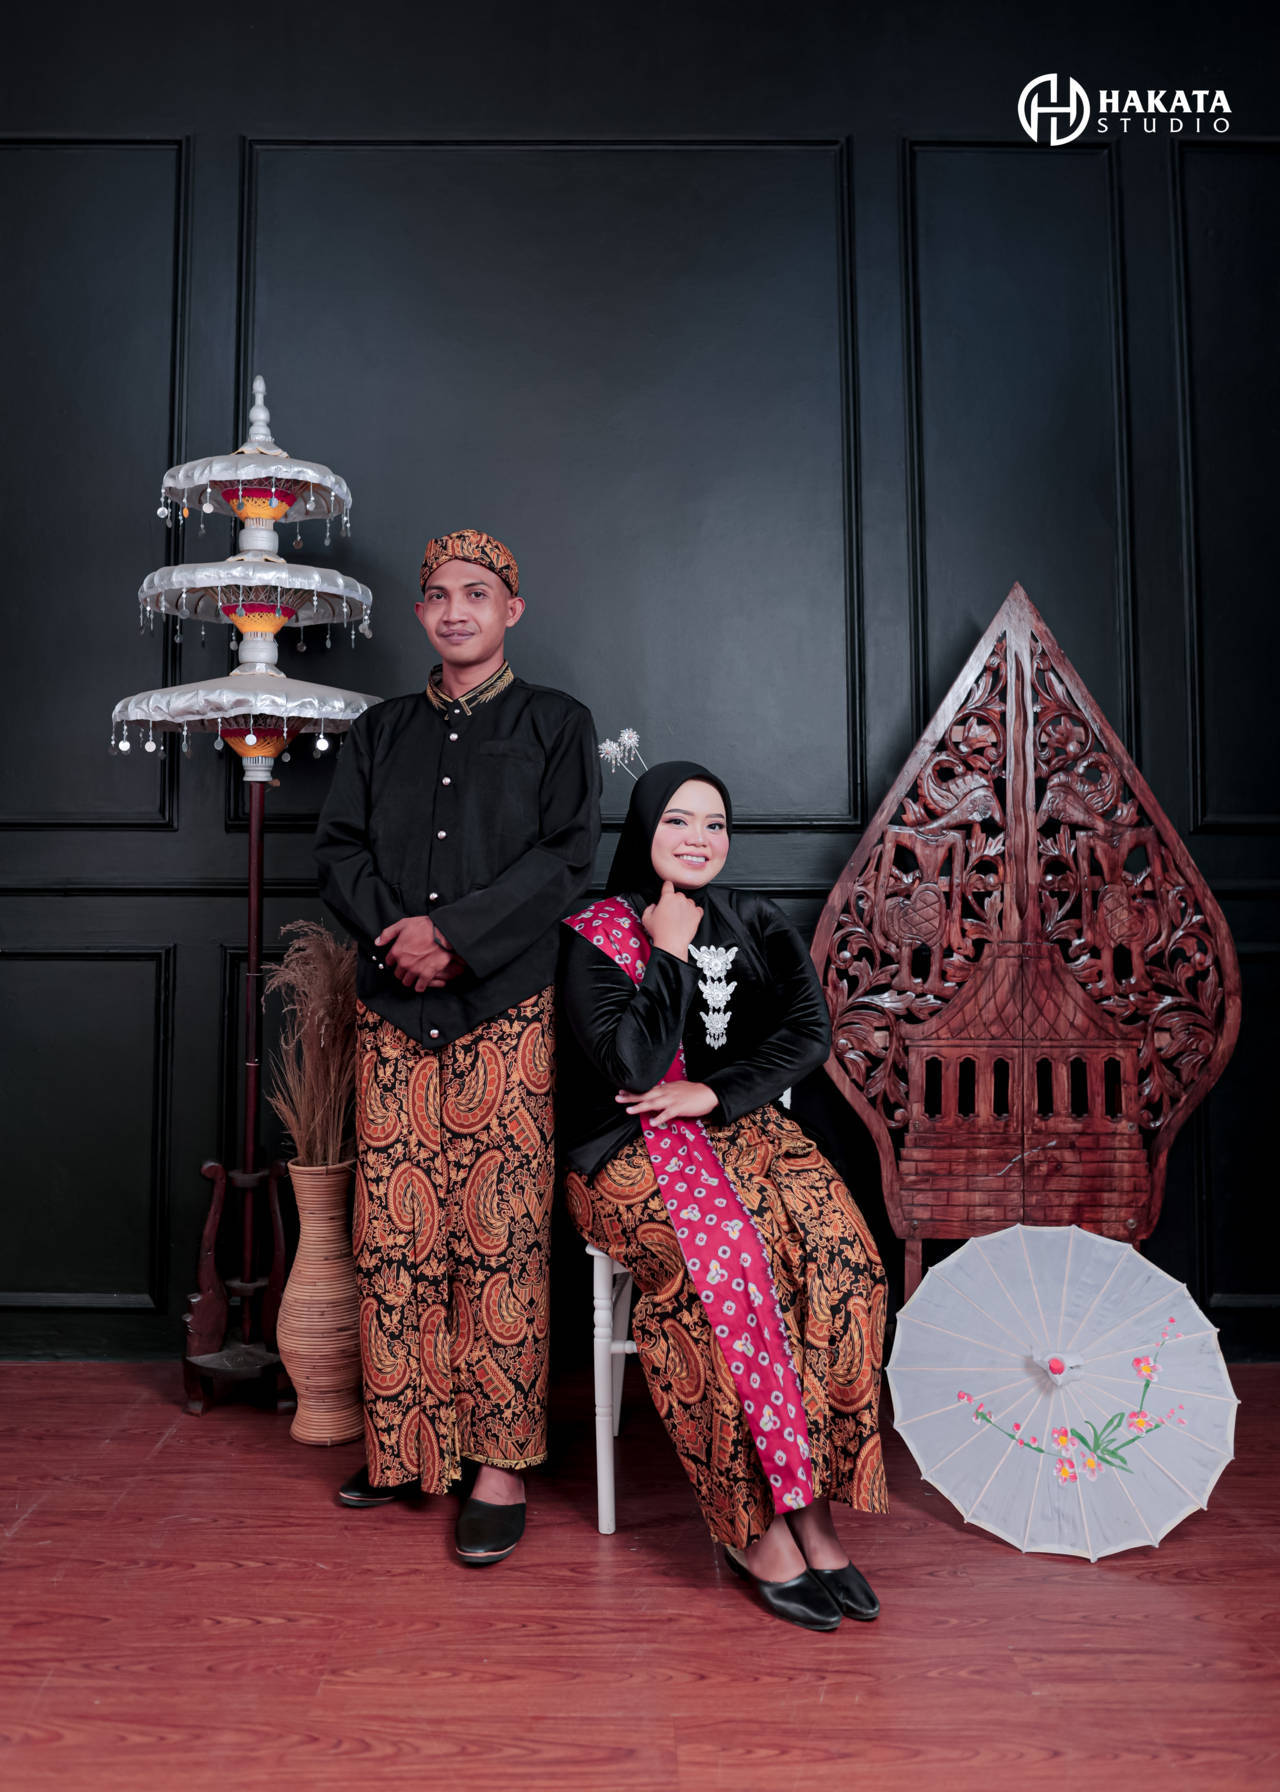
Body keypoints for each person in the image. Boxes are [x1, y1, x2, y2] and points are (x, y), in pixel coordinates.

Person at [314, 528, 600, 1564]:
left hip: (503, 1011)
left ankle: (497, 1464)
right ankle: (406, 1448)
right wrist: (403, 941)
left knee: (499, 1236)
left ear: (510, 609)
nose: (454, 611)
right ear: (421, 613)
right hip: (394, 1009)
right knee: (397, 1236)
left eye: (475, 594)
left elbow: (565, 859)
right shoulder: (379, 731)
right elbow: (338, 851)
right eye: (437, 595)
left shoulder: (555, 723)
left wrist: (456, 938)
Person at [559, 762, 887, 1628]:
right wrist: (666, 949)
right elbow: (633, 1069)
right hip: (624, 1150)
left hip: (740, 1130)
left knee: (845, 1261)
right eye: (678, 820)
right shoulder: (597, 934)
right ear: (644, 828)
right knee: (724, 1265)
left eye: (714, 823)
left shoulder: (755, 919)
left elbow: (810, 1031)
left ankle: (811, 1508)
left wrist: (717, 1091)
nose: (698, 838)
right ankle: (753, 1526)